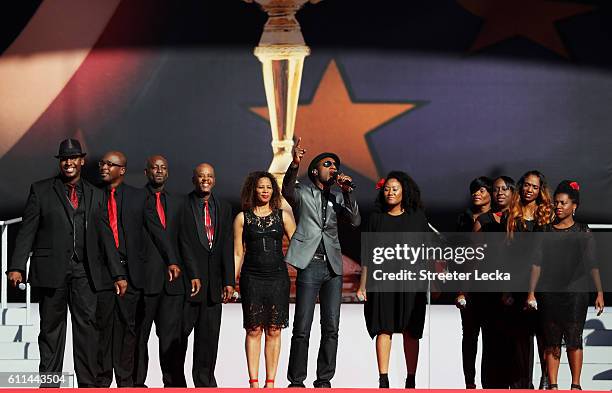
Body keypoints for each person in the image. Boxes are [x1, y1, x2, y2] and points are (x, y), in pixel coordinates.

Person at [7, 139, 124, 387]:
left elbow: (106, 236)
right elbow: (27, 231)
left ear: (82, 161)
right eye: (64, 159)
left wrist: (118, 274)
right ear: (60, 162)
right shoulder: (41, 190)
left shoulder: (96, 194)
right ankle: (50, 386)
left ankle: (87, 386)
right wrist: (16, 267)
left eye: (73, 158)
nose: (68, 163)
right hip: (51, 271)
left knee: (88, 331)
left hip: (85, 271)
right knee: (51, 331)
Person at [283, 138, 361, 388]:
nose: (333, 168)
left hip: (333, 267)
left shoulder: (338, 197)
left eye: (336, 165)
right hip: (311, 263)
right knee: (302, 326)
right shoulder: (303, 191)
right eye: (328, 164)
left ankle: (324, 379)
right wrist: (294, 164)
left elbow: (356, 221)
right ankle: (296, 380)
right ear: (315, 170)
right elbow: (286, 191)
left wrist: (348, 193)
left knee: (331, 327)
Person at [527, 180, 604, 390]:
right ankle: (552, 384)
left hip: (576, 292)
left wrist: (599, 292)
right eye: (556, 203)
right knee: (552, 340)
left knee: (574, 337)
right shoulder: (544, 231)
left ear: (574, 206)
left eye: (563, 203)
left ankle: (576, 385)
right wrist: (531, 292)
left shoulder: (583, 231)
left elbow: (592, 263)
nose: (558, 207)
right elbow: (536, 263)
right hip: (549, 292)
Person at [356, 171, 429, 389]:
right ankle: (383, 379)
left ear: (404, 191)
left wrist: (431, 281)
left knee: (411, 329)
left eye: (395, 189)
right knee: (383, 328)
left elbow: (426, 251)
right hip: (382, 280)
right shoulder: (376, 218)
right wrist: (362, 285)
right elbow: (368, 255)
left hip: (410, 280)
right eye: (387, 188)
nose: (390, 192)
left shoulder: (417, 217)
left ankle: (411, 378)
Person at [234, 171, 296, 388]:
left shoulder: (283, 217)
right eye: (261, 187)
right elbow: (237, 253)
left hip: (278, 278)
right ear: (253, 189)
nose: (265, 191)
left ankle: (270, 384)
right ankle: (253, 383)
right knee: (253, 329)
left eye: (269, 187)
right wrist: (231, 281)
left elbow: (298, 247)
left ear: (274, 191)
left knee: (274, 329)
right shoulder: (242, 218)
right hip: (251, 278)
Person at [96, 151, 151, 387]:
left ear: (123, 170)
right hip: (101, 272)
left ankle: (125, 382)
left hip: (131, 273)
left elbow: (154, 232)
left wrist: (171, 260)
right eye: (102, 163)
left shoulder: (139, 197)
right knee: (102, 328)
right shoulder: (93, 195)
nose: (104, 167)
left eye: (111, 164)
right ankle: (101, 380)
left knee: (128, 329)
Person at [178, 163, 235, 387]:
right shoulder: (182, 205)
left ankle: (205, 384)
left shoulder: (224, 207)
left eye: (209, 176)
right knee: (179, 338)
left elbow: (227, 245)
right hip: (188, 286)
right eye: (201, 176)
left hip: (214, 287)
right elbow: (181, 243)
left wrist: (229, 280)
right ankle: (175, 382)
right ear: (194, 180)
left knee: (208, 341)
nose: (205, 179)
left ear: (214, 180)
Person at [133, 155, 186, 387]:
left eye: (163, 167)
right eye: (154, 168)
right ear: (146, 172)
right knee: (139, 337)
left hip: (173, 284)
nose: (159, 171)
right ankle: (137, 383)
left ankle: (172, 384)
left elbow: (185, 241)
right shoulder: (135, 199)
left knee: (170, 338)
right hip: (144, 280)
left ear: (168, 172)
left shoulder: (178, 202)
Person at [506, 170, 554, 389]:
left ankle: (546, 378)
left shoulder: (548, 214)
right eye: (526, 185)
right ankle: (524, 383)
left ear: (540, 190)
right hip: (518, 280)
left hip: (545, 282)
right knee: (520, 339)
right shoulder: (512, 214)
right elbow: (506, 251)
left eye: (534, 187)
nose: (529, 190)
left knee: (544, 334)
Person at [454, 176, 492, 389]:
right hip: (466, 284)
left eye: (482, 190)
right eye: (474, 190)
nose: (477, 194)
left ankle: (488, 382)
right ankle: (470, 383)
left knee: (489, 335)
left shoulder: (497, 218)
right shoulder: (463, 218)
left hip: (490, 283)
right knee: (469, 335)